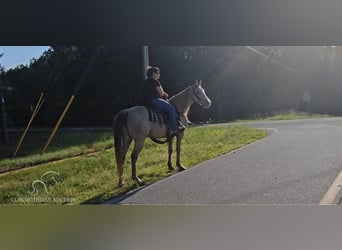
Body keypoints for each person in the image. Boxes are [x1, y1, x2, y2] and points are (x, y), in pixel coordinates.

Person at [140, 66, 184, 136]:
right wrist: (165, 95)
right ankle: (174, 128)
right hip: (154, 100)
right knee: (171, 108)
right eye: (158, 73)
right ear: (153, 73)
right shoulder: (155, 81)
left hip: (144, 102)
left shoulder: (146, 81)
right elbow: (161, 93)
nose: (159, 74)